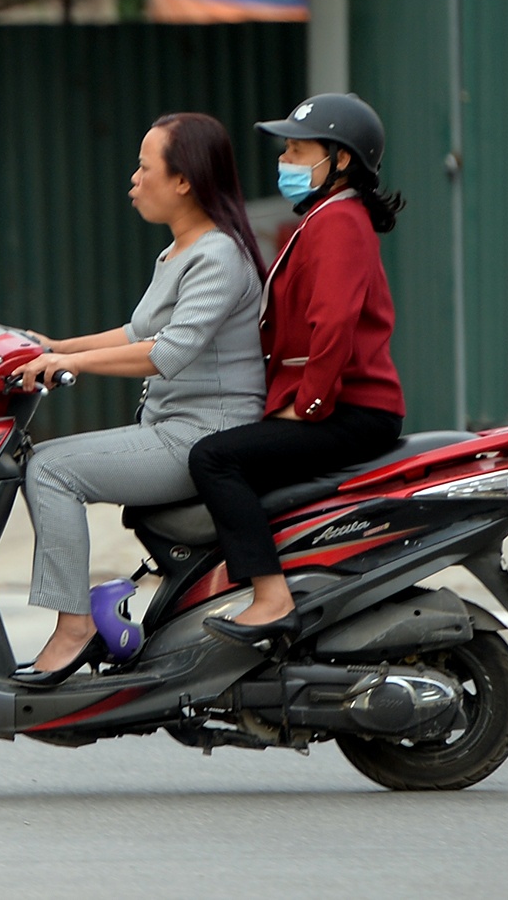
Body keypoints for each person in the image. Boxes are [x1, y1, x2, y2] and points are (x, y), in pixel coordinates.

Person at [9, 113, 267, 687]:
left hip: (202, 436)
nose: (133, 179)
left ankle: (74, 627)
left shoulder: (217, 257)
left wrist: (70, 363)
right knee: (49, 462)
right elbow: (134, 334)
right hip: (172, 427)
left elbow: (165, 353)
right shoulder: (179, 253)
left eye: (144, 168)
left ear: (183, 180)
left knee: (50, 470)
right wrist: (50, 345)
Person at [188, 93, 406, 646]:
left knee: (213, 459)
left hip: (352, 408)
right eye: (285, 149)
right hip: (345, 403)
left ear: (340, 160)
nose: (285, 160)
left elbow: (332, 323)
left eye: (297, 149)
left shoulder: (338, 222)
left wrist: (306, 406)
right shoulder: (326, 219)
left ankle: (271, 597)